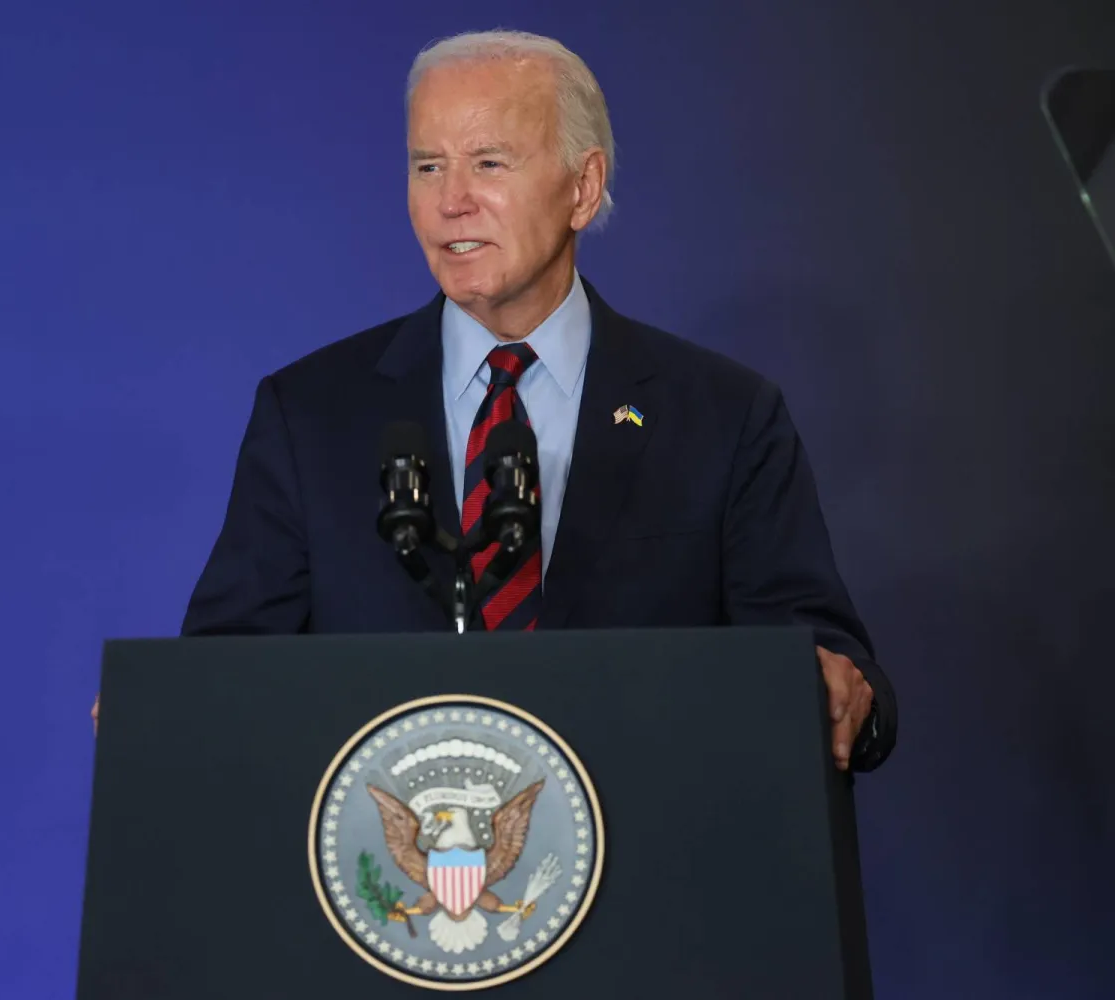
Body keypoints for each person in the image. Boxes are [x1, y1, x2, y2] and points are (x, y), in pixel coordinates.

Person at [100, 29, 895, 772]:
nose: (451, 201)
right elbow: (227, 666)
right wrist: (171, 710)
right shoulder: (309, 414)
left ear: (583, 188)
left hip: (648, 849)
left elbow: (828, 671)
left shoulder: (723, 415)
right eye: (427, 166)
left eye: (488, 163)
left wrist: (839, 691)